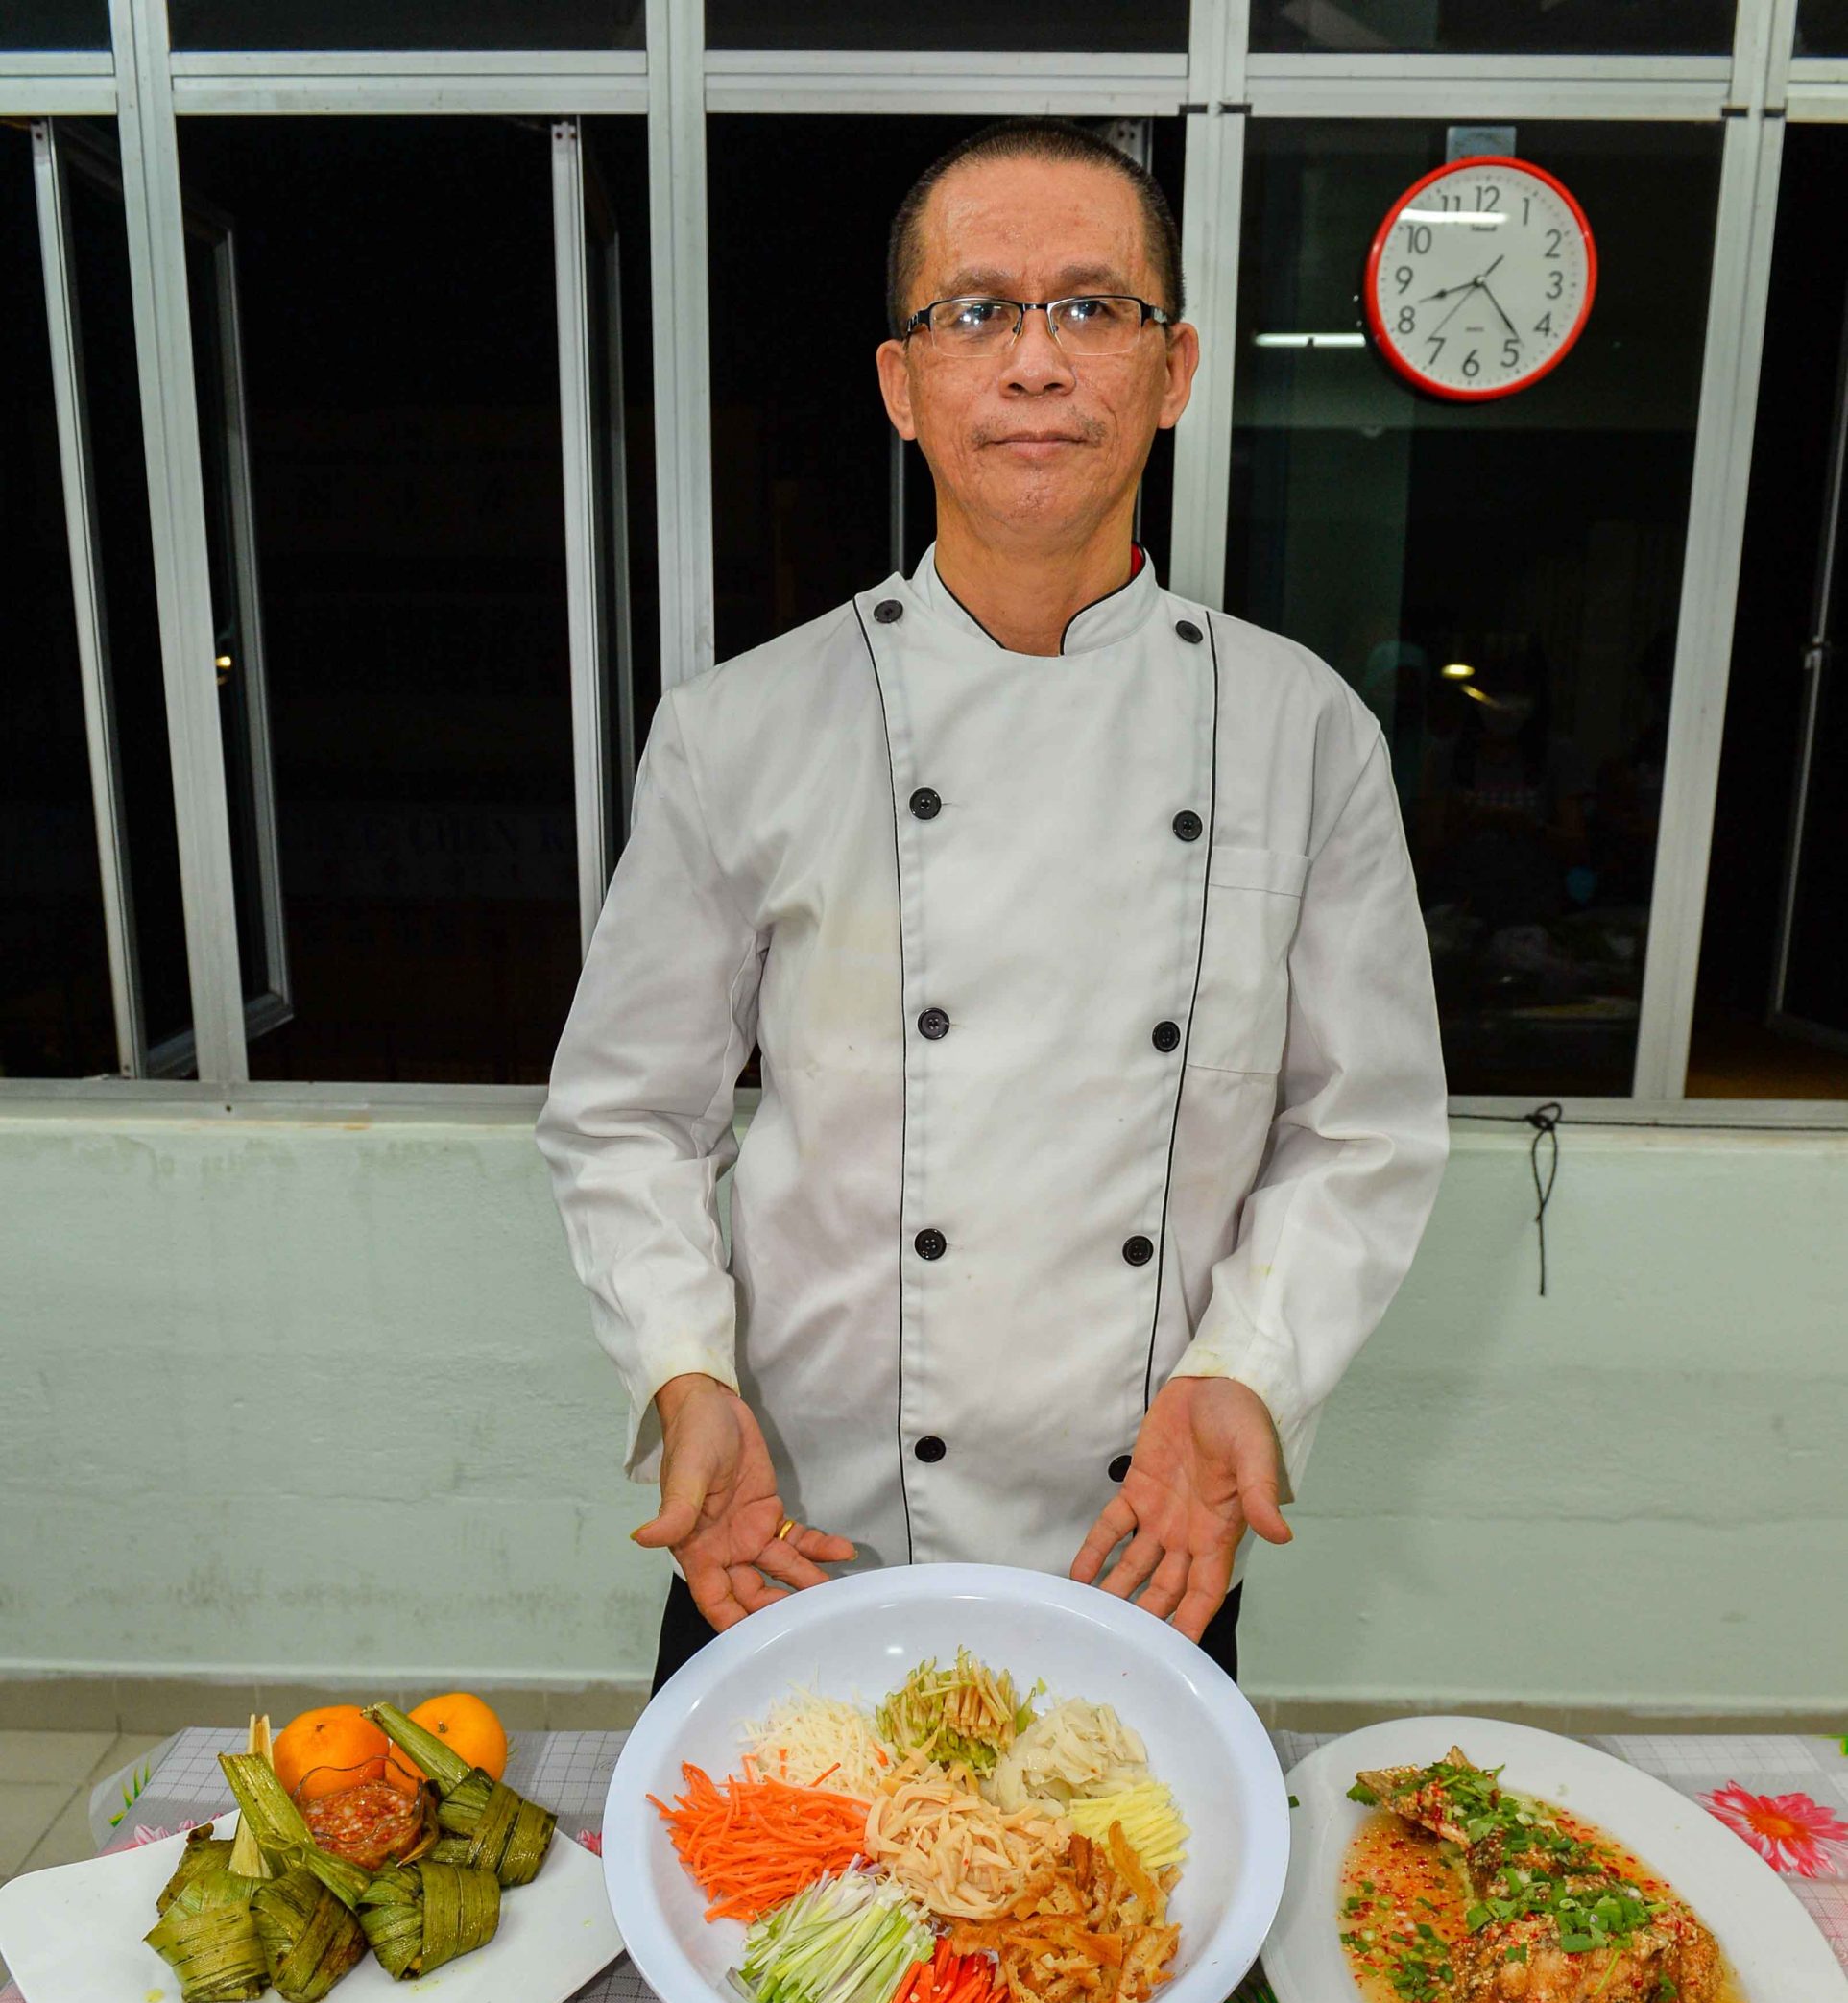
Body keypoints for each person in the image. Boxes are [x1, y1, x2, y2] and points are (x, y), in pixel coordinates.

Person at [538, 119, 1448, 1699]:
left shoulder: (1304, 731)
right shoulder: (737, 729)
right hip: (790, 1532)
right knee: (776, 1941)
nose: (1034, 363)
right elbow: (625, 1116)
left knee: (1112, 1938)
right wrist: (685, 1376)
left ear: (1172, 372)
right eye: (977, 311)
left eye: (1090, 308)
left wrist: (1251, 1372)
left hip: (1147, 1535)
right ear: (904, 387)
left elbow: (1362, 1130)